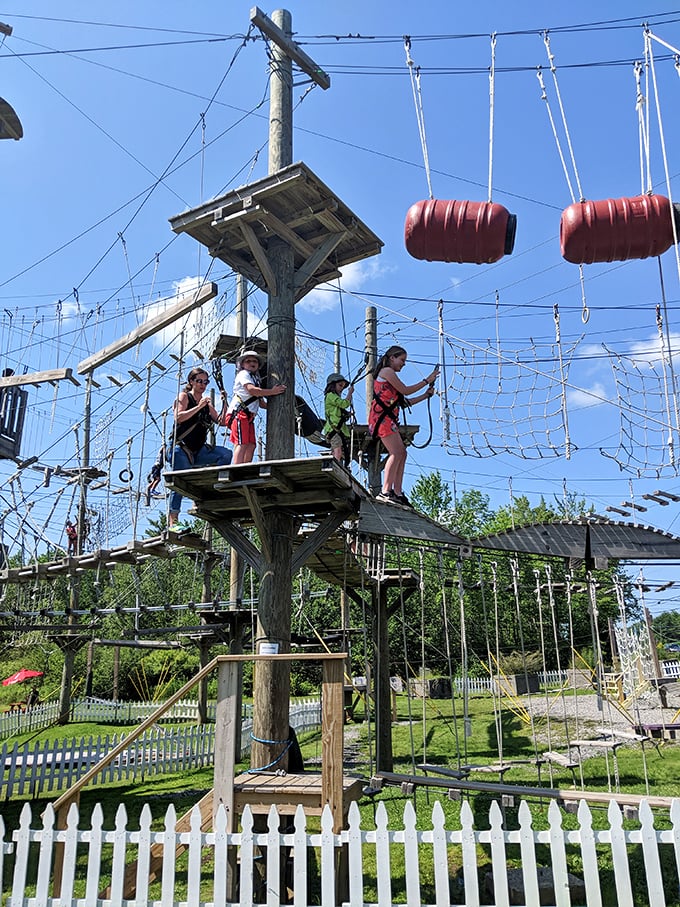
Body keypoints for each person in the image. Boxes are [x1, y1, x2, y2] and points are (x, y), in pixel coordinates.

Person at [368, 345, 439, 507]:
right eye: (402, 360)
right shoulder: (387, 372)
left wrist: (425, 395)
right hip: (382, 418)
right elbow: (406, 391)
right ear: (392, 357)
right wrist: (427, 380)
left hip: (387, 418)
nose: (404, 364)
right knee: (396, 452)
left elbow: (404, 401)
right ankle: (386, 491)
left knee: (402, 453)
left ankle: (397, 492)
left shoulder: (390, 379)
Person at [167, 367, 233, 528]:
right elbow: (178, 417)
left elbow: (222, 421)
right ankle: (173, 522)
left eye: (205, 382)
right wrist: (198, 406)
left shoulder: (206, 404)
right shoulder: (184, 396)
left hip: (198, 450)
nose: (203, 385)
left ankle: (209, 492)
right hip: (180, 448)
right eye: (199, 381)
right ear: (191, 382)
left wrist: (225, 402)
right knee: (180, 481)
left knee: (225, 454)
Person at [226, 350, 286, 464]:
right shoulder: (244, 374)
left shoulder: (255, 379)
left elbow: (261, 402)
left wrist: (277, 407)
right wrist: (273, 391)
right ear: (242, 364)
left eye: (255, 361)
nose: (252, 363)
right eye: (248, 361)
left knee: (251, 445)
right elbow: (252, 390)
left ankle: (245, 466)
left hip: (248, 416)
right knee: (242, 443)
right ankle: (237, 467)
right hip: (239, 413)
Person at [323, 372, 354, 464]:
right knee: (338, 451)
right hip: (334, 429)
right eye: (340, 385)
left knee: (338, 450)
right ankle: (335, 466)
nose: (341, 389)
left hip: (338, 429)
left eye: (343, 387)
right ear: (333, 385)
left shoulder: (334, 398)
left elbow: (340, 410)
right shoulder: (330, 396)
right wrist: (350, 393)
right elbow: (344, 404)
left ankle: (337, 464)